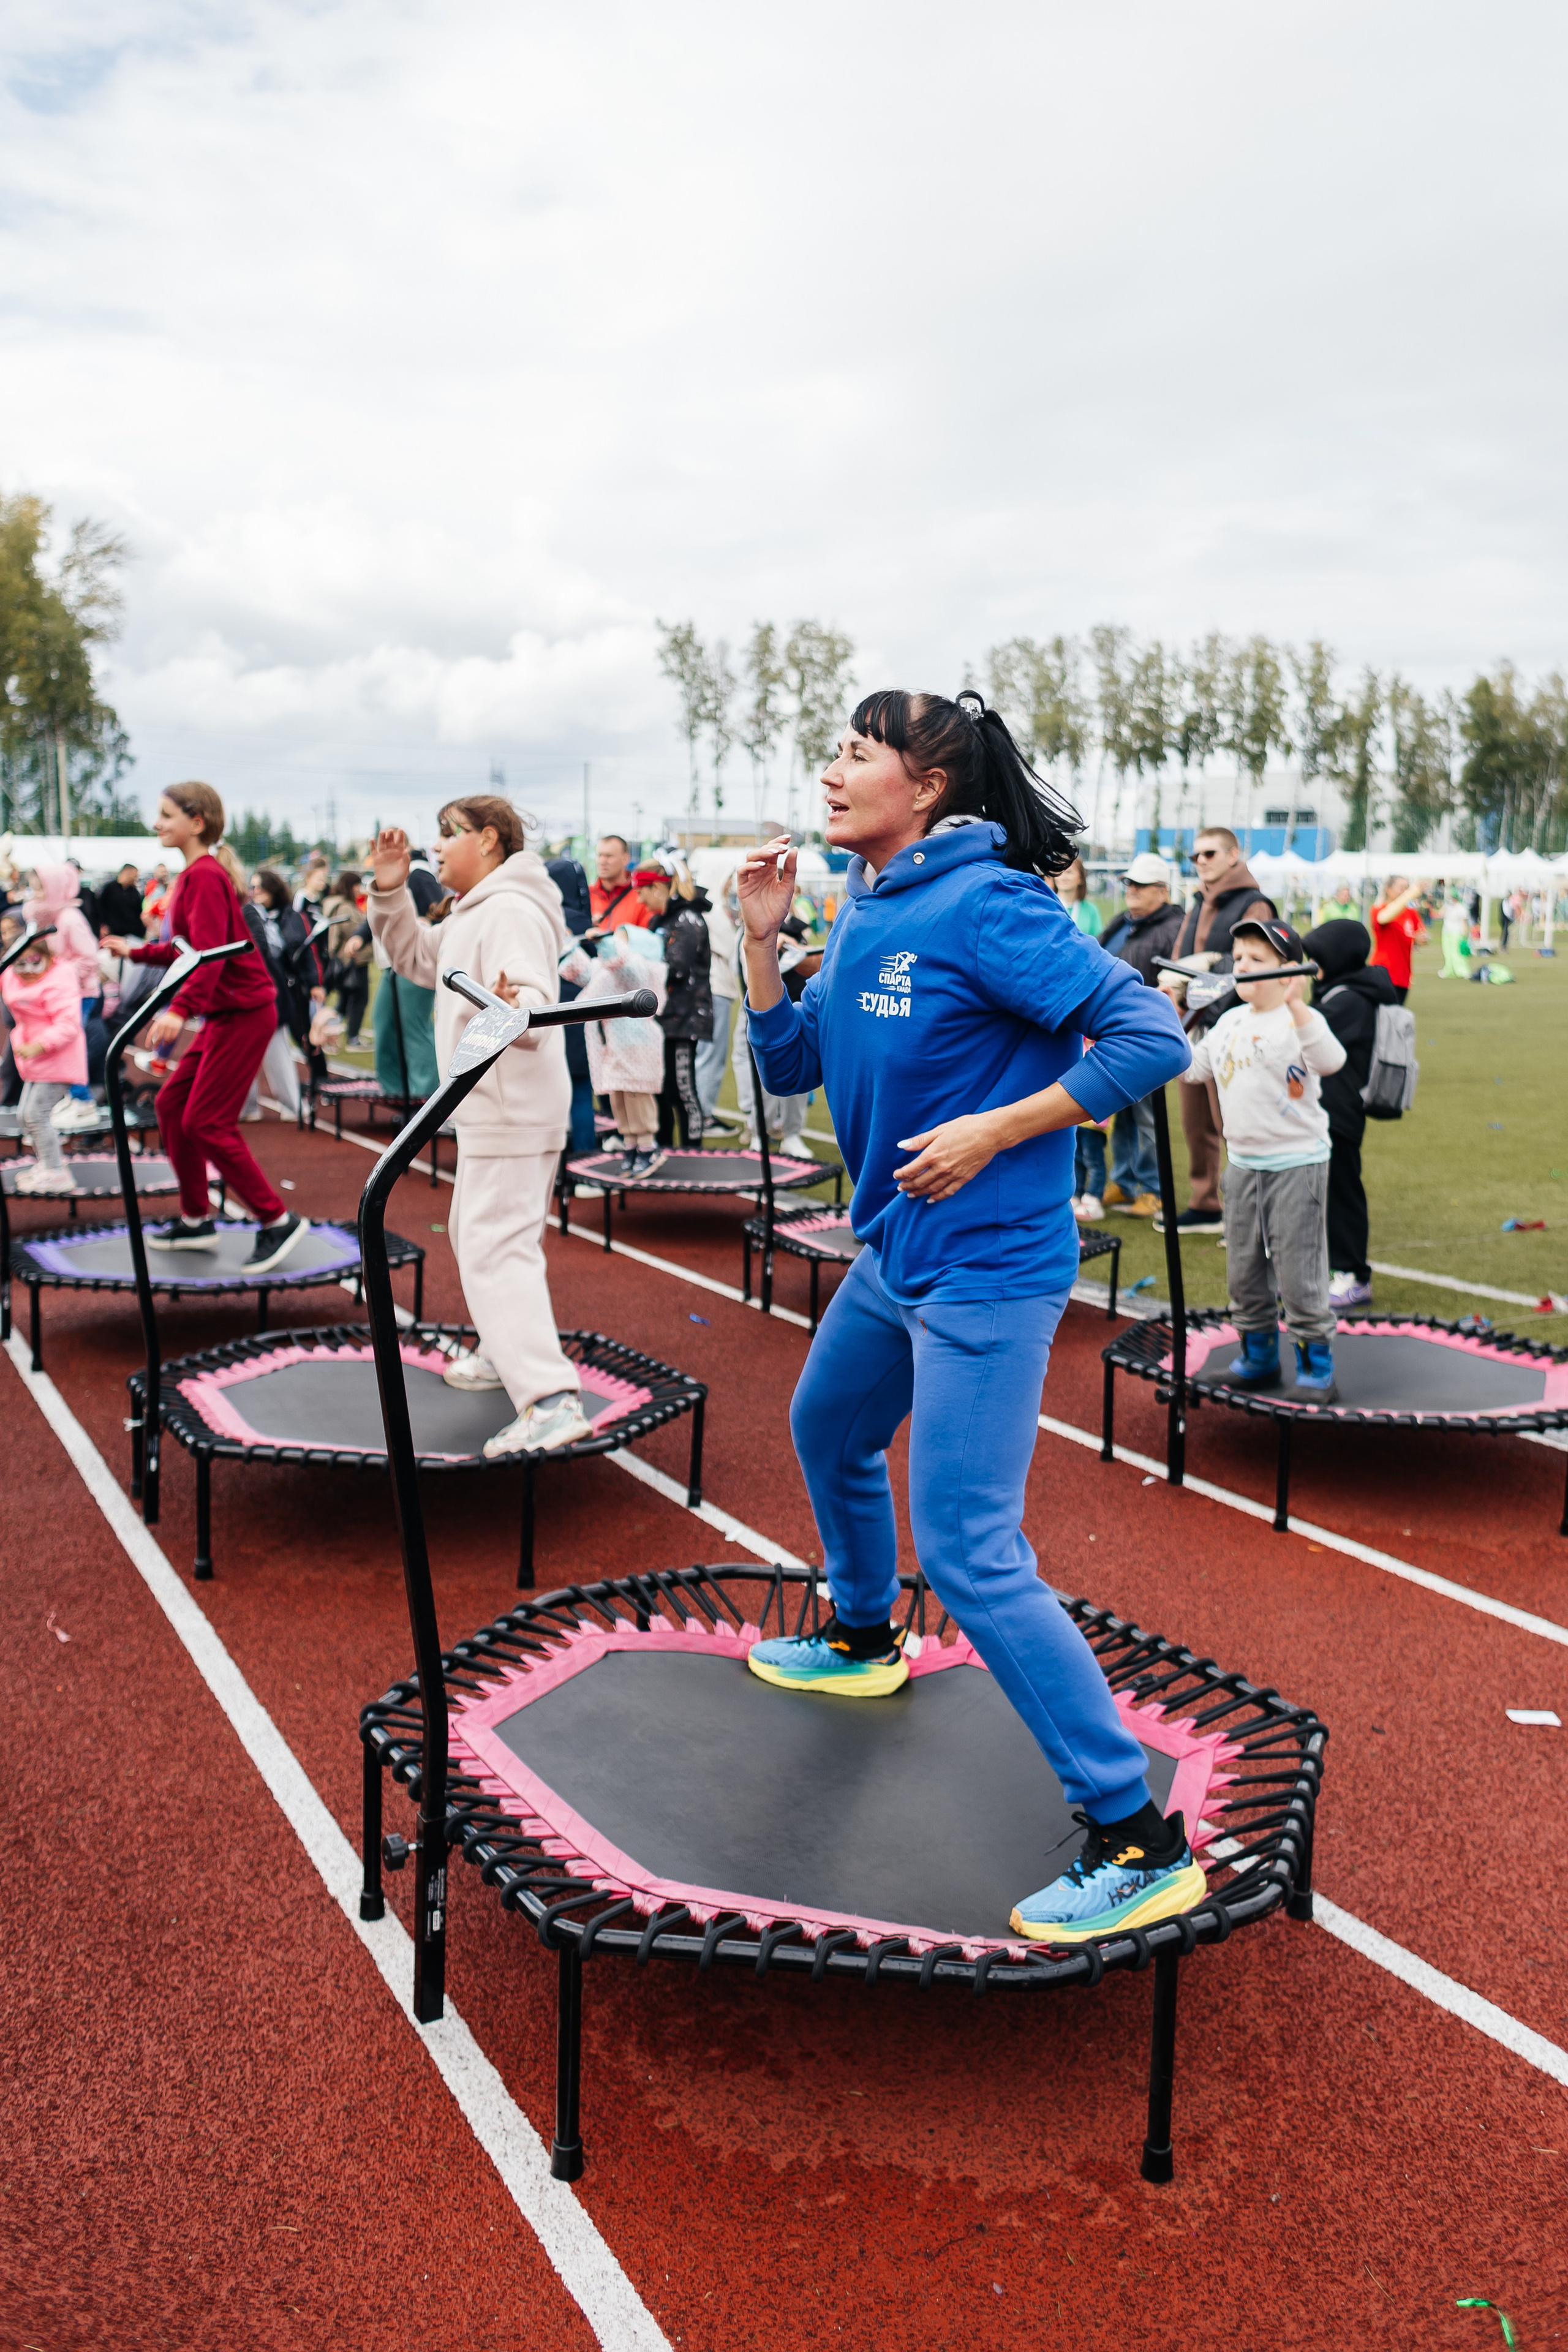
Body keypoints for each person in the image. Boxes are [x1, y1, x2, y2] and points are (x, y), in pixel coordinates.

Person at [738, 687, 1201, 1946]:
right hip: (897, 1253)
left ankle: (1133, 1836)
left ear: (925, 788)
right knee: (826, 1431)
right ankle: (858, 1632)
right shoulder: (869, 901)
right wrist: (762, 941)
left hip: (989, 1268)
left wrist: (1001, 1127)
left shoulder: (989, 905)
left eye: (855, 753)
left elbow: (1149, 1035)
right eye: (830, 749)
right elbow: (790, 1068)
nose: (830, 770)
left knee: (968, 1547)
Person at [368, 796, 588, 1460]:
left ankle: (549, 1400)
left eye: (448, 833)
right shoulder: (475, 911)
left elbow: (532, 1000)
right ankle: (503, 1352)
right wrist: (389, 887)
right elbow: (414, 957)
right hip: (493, 1108)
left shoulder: (512, 909)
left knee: (496, 1246)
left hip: (512, 1107)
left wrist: (512, 1002)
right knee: (478, 1235)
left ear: (488, 840)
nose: (437, 846)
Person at [103, 783, 310, 1271]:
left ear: (197, 822)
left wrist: (179, 1010)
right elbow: (186, 948)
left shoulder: (205, 876)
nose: (157, 823)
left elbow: (212, 955)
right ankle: (197, 1217)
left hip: (243, 1012)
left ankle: (277, 1220)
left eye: (166, 815)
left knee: (206, 1120)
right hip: (226, 1012)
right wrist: (133, 949)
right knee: (173, 1104)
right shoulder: (195, 876)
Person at [1184, 919, 1346, 1400]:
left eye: (1257, 960)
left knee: (1299, 1270)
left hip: (1298, 1165)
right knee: (1244, 1269)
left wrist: (1298, 1004)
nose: (1243, 967)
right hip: (1244, 1166)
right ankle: (1257, 1357)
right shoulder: (1230, 1021)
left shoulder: (1302, 1022)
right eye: (1238, 959)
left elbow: (1331, 1061)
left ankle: (1316, 1367)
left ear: (1288, 971)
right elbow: (1193, 1069)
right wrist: (1170, 1020)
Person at [1155, 827, 1276, 1235]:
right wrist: (1175, 990)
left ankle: (1250, 1214)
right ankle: (1206, 1202)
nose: (1201, 861)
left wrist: (1206, 979)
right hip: (1193, 1024)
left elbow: (1257, 964)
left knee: (1234, 1123)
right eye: (1196, 856)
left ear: (1233, 855)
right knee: (1195, 1121)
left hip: (1232, 1024)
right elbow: (1178, 962)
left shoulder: (1254, 904)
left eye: (1209, 853)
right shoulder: (1197, 901)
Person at [1303, 918, 1398, 1310]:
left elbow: (1305, 1038)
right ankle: (1328, 1269)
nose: (1312, 967)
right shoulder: (1342, 991)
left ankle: (1355, 1275)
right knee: (1320, 1193)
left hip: (1338, 1112)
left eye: (1318, 959)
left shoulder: (1349, 1000)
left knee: (1342, 1192)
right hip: (1323, 1109)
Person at [1095, 852, 1184, 1218]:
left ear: (1163, 891)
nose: (1131, 889)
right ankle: (1125, 1181)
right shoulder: (1125, 920)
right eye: (1130, 883)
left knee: (1147, 1117)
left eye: (1141, 885)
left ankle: (1154, 1190)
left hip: (1147, 1035)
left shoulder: (1173, 927)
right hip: (1114, 1031)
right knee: (1123, 1111)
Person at [558, 922, 668, 1173]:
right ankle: (631, 1144)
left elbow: (625, 967)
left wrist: (605, 942)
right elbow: (581, 971)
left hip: (638, 1045)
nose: (615, 941)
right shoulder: (607, 969)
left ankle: (648, 1147)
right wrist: (565, 943)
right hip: (614, 1045)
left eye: (622, 938)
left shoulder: (642, 967)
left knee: (637, 1096)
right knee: (619, 1097)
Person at [1, 927, 86, 1195]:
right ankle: (48, 1163)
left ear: (47, 957)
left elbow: (68, 1024)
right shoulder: (13, 978)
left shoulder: (60, 979)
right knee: (25, 1116)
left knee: (36, 1116)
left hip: (58, 1058)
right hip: (35, 1058)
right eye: (19, 963)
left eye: (34, 961)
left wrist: (40, 1045)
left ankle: (56, 1171)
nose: (27, 969)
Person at [634, 862, 713, 1149]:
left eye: (641, 891)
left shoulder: (688, 919)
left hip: (685, 1021)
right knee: (662, 1090)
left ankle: (693, 1153)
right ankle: (665, 1150)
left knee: (683, 1091)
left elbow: (675, 968)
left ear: (657, 888)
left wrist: (634, 958)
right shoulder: (662, 921)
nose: (639, 900)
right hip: (663, 1019)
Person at [23, 863, 107, 1118]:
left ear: (55, 889)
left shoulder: (70, 919)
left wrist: (62, 977)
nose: (35, 895)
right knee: (69, 1045)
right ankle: (75, 1097)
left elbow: (90, 958)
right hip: (68, 993)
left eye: (41, 890)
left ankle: (83, 1101)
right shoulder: (52, 918)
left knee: (71, 1045)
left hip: (81, 993)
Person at [732, 912, 819, 1156]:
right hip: (768, 1014)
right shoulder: (753, 928)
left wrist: (794, 946)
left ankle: (791, 1134)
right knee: (766, 1076)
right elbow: (752, 976)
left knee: (800, 1075)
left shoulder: (797, 929)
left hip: (798, 1008)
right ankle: (761, 1131)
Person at [244, 867, 323, 1119]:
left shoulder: (287, 915)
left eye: (260, 887)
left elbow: (302, 950)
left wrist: (314, 983)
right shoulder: (253, 911)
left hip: (284, 988)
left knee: (295, 1040)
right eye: (252, 887)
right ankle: (248, 1107)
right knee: (245, 1050)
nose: (255, 892)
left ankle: (301, 1100)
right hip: (268, 987)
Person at [372, 847, 442, 1102]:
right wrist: (359, 937)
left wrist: (427, 923)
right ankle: (397, 1092)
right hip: (393, 964)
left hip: (414, 962)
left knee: (415, 1029)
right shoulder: (406, 878)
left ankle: (425, 1097)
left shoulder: (420, 876)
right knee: (384, 1022)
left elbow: (440, 911)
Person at [545, 850, 599, 1159]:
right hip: (579, 1016)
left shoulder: (539, 918)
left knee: (546, 1094)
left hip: (543, 1016)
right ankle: (584, 1161)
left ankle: (554, 1167)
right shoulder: (584, 923)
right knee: (580, 1092)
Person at [695, 866, 741, 1123]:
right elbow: (732, 951)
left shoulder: (714, 910)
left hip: (713, 987)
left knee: (706, 1053)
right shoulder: (713, 913)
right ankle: (704, 1113)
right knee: (712, 1055)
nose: (730, 886)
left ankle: (701, 1110)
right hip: (717, 988)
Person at [1368, 878, 1424, 1003]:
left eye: (1407, 888)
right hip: (1383, 973)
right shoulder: (1379, 909)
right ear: (1389, 890)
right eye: (1401, 888)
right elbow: (1383, 918)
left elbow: (1420, 935)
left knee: (1397, 1016)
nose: (1405, 891)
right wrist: (1410, 894)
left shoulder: (1411, 913)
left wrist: (1421, 938)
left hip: (1403, 974)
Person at [587, 835, 654, 933]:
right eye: (600, 855)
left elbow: (646, 941)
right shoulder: (588, 895)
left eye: (609, 856)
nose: (602, 861)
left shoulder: (641, 897)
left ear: (625, 859)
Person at [96, 862, 146, 941]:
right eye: (135, 875)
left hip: (131, 935)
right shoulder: (110, 888)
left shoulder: (134, 892)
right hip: (112, 933)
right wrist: (102, 926)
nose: (136, 878)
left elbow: (138, 913)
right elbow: (99, 907)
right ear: (126, 872)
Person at [1054, 854, 1101, 936]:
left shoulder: (1091, 910)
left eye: (1069, 872)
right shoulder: (1048, 906)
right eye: (1060, 872)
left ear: (1081, 878)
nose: (1063, 877)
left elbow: (1099, 941)